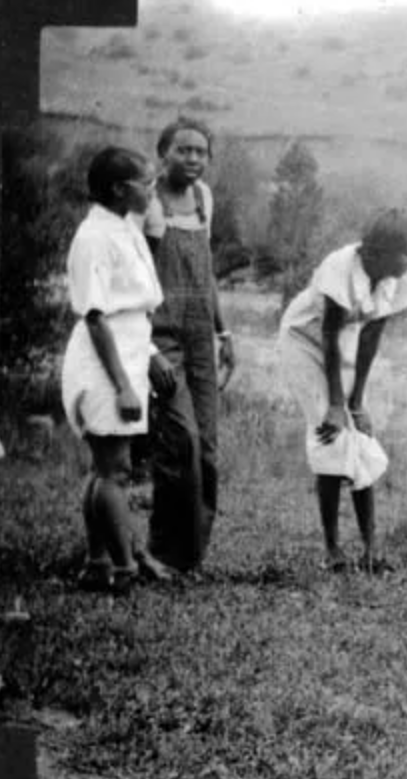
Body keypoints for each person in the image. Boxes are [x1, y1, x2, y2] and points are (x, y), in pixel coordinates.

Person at [277, 210, 407, 572]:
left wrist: (357, 401)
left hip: (344, 341)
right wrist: (335, 404)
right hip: (304, 342)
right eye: (403, 254)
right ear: (377, 252)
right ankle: (332, 550)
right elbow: (328, 335)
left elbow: (370, 337)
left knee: (359, 434)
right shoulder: (339, 268)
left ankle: (370, 547)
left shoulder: (396, 277)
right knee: (332, 434)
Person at [61, 147, 164, 593]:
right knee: (115, 470)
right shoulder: (93, 237)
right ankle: (124, 568)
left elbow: (133, 308)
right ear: (120, 189)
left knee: (105, 467)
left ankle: (97, 561)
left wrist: (152, 353)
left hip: (129, 351)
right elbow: (97, 316)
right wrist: (123, 385)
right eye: (147, 183)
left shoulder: (123, 227)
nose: (153, 190)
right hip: (105, 362)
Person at [143, 116, 234, 574]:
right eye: (184, 150)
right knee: (179, 441)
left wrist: (224, 332)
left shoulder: (203, 199)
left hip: (201, 335)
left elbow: (207, 271)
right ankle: (160, 552)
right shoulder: (147, 201)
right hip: (160, 335)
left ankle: (191, 558)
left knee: (209, 449)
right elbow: (132, 278)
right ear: (164, 153)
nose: (194, 159)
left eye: (201, 151)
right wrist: (146, 349)